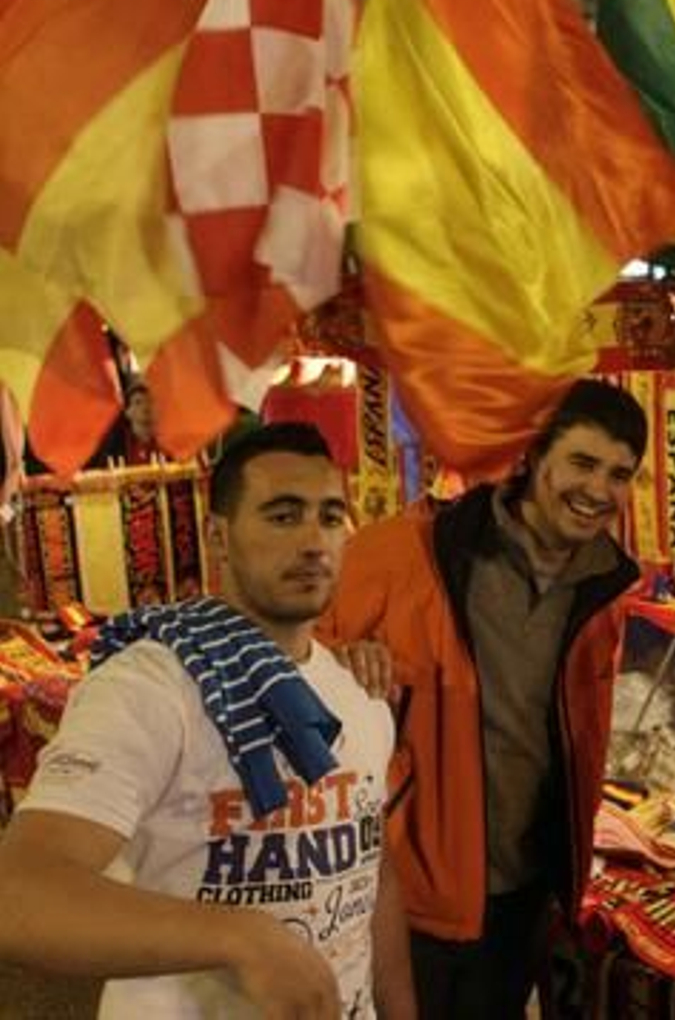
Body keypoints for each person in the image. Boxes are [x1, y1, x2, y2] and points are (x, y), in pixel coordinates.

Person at [0, 423, 411, 1019]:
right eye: (282, 516)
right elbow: (18, 893)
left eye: (329, 516)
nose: (314, 541)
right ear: (218, 537)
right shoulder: (151, 687)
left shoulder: (360, 692)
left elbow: (374, 875)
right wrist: (241, 937)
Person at [320, 378, 647, 1019]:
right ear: (533, 454)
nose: (597, 490)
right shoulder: (406, 552)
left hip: (525, 895)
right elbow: (293, 658)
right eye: (582, 463)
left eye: (619, 474)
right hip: (411, 894)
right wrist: (344, 664)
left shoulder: (602, 591)